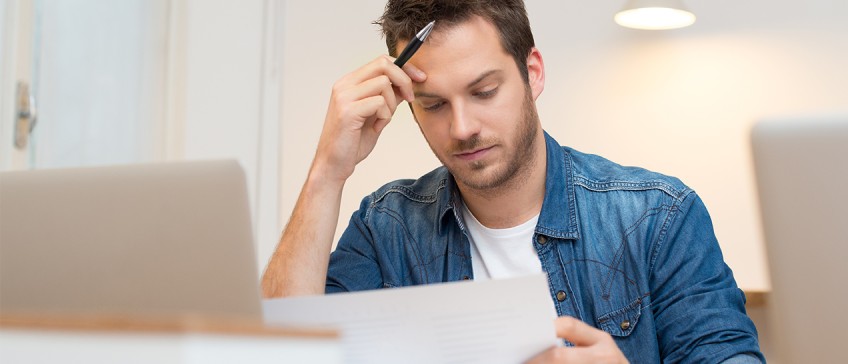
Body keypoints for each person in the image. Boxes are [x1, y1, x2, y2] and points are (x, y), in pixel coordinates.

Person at [261, 1, 764, 362]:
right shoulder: (386, 227)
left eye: (483, 92)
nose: (461, 128)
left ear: (533, 73)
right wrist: (329, 170)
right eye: (433, 105)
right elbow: (275, 354)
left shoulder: (659, 217)